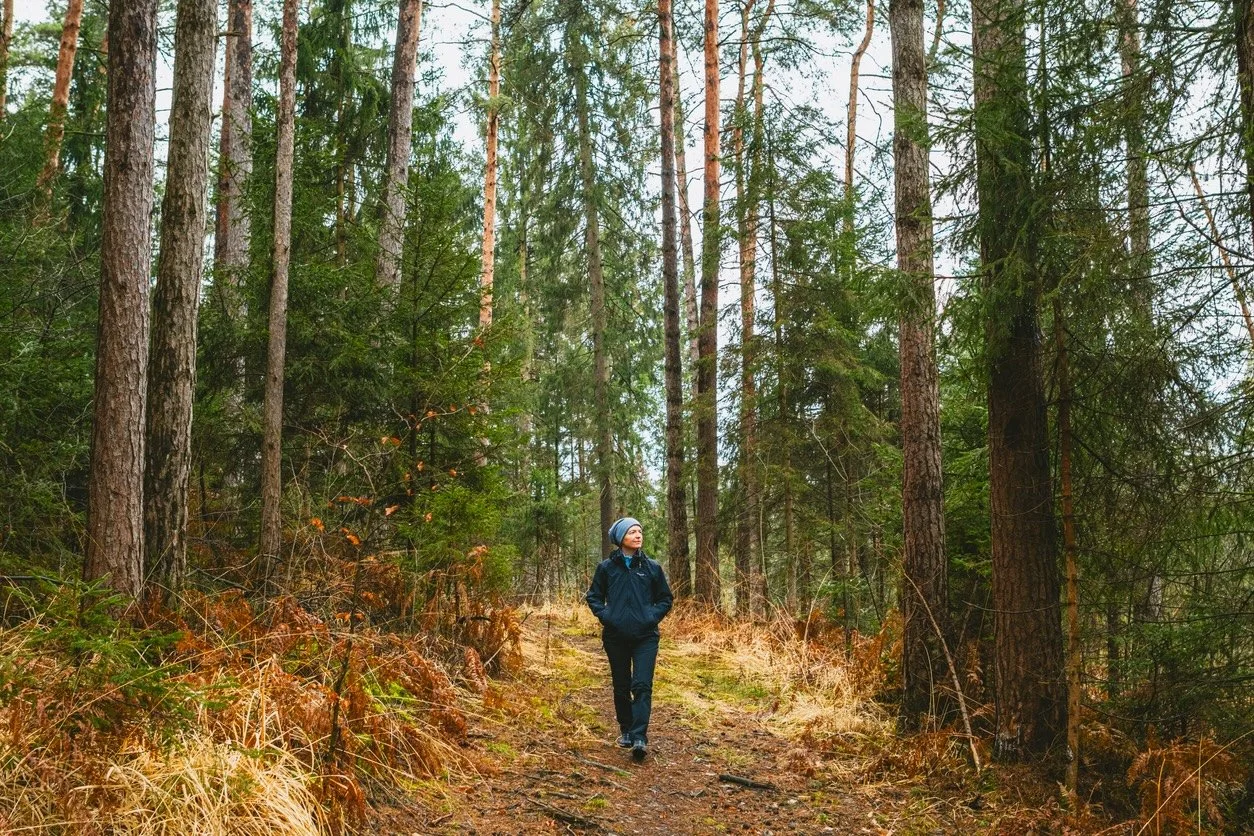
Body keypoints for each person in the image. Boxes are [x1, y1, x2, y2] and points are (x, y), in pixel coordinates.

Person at [585, 517, 674, 762]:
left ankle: (639, 737)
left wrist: (650, 617)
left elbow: (665, 599)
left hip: (646, 637)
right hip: (616, 637)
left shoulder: (652, 567)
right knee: (622, 686)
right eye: (632, 532)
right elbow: (593, 597)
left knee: (642, 685)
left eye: (639, 531)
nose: (638, 535)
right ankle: (625, 729)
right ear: (620, 538)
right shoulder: (606, 568)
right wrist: (607, 616)